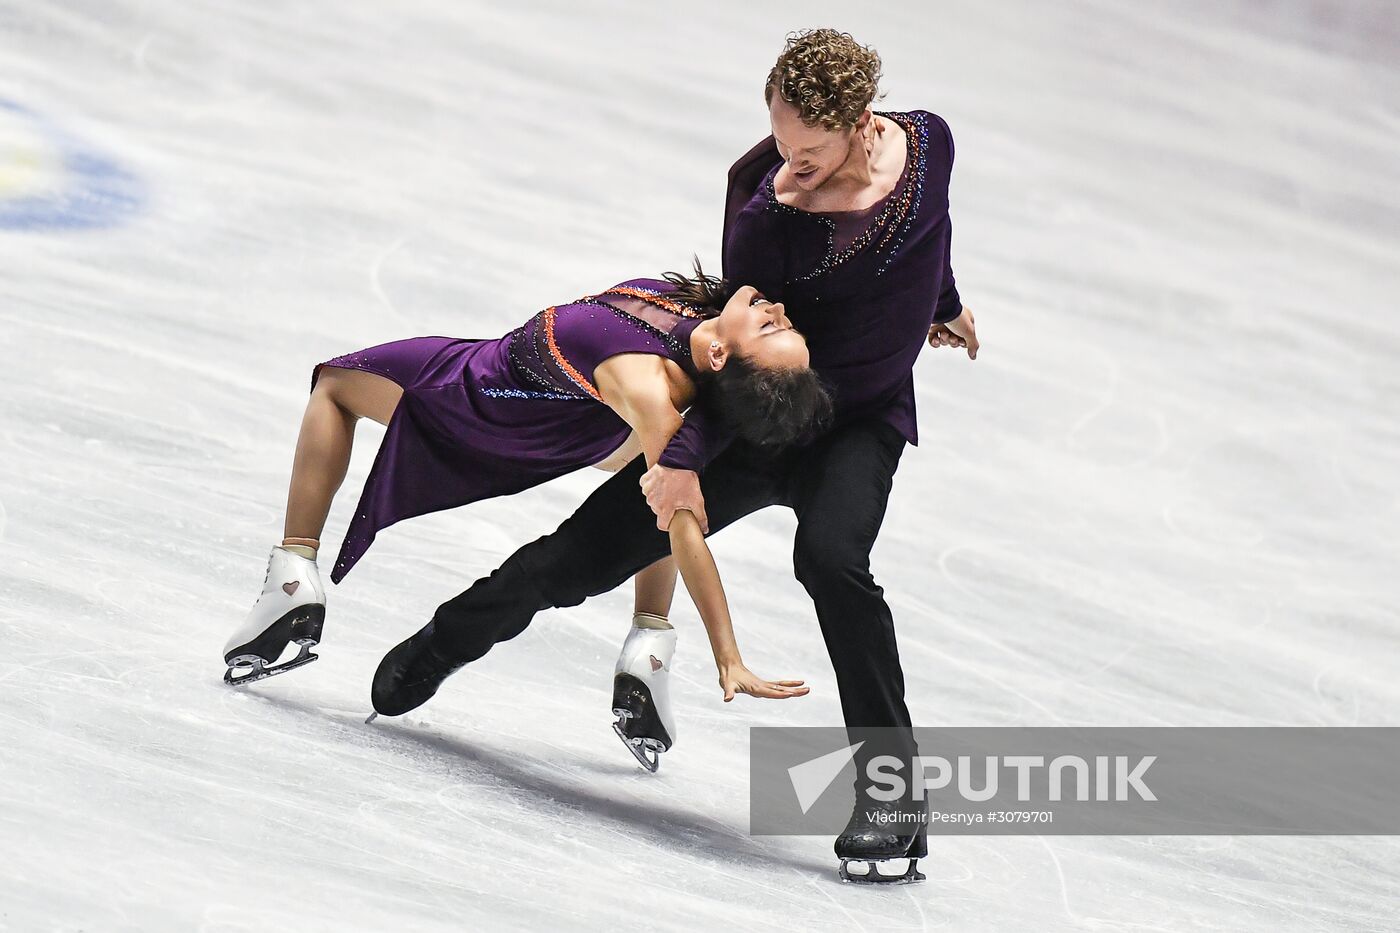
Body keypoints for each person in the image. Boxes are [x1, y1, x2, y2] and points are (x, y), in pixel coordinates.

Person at [370, 29, 978, 883]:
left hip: (860, 424)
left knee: (833, 561)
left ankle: (892, 798)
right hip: (754, 423)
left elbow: (932, 232)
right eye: (780, 140)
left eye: (808, 150)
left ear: (863, 125)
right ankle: (443, 642)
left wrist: (944, 304)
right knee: (579, 557)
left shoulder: (928, 145)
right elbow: (733, 358)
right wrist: (683, 455)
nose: (787, 163)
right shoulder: (763, 206)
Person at [222, 267, 831, 740]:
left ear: (723, 357)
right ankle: (649, 641)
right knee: (656, 476)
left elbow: (684, 525)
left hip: (486, 395)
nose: (776, 309)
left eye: (773, 326)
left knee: (335, 385)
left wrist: (728, 653)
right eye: (785, 323)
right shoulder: (705, 328)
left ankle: (293, 576)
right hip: (582, 422)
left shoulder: (651, 386)